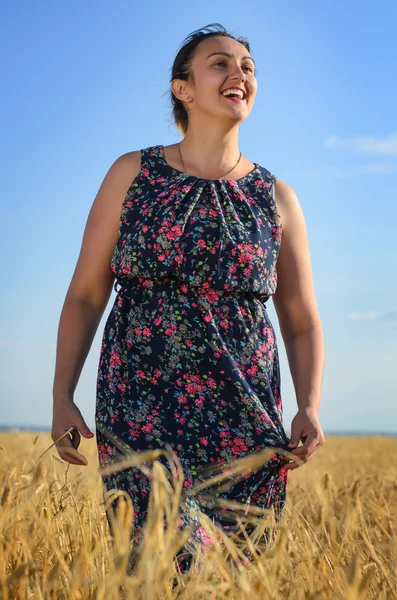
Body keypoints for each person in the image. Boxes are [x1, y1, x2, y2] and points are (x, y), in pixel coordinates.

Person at [51, 23, 325, 571]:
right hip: (140, 409)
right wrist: (62, 394)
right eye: (220, 63)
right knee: (154, 567)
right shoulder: (133, 174)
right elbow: (85, 294)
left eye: (248, 66)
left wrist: (309, 404)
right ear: (183, 89)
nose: (239, 74)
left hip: (243, 420)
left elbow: (300, 320)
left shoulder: (277, 198)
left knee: (231, 574)